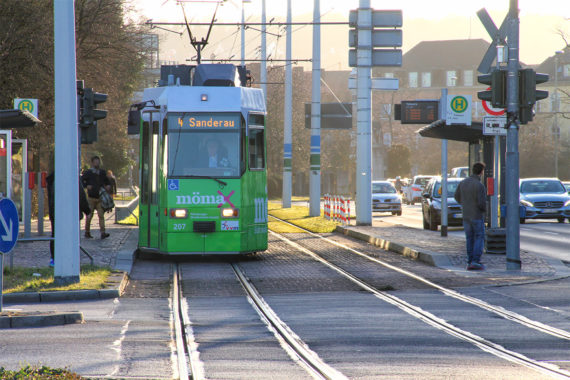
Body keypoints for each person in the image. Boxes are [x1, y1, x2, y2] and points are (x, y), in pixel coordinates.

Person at [46, 172, 91, 266]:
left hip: (56, 213)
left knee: (55, 235)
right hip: (70, 213)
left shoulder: (52, 178)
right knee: (70, 237)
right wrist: (87, 210)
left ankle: (54, 259)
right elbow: (81, 195)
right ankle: (68, 260)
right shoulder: (72, 175)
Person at [454, 162, 487, 270]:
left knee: (469, 238)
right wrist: (484, 211)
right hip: (477, 215)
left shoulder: (463, 183)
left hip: (466, 215)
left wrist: (464, 203)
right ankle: (475, 261)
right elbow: (482, 203)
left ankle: (469, 261)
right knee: (479, 237)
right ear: (481, 172)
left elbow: (456, 196)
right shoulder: (479, 185)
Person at [82, 156, 111, 239]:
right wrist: (86, 186)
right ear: (92, 163)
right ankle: (87, 232)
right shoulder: (88, 172)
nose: (97, 163)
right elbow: (81, 180)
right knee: (89, 215)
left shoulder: (102, 172)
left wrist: (108, 185)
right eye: (95, 162)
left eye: (98, 161)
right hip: (91, 197)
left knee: (101, 215)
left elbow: (106, 181)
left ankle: (103, 232)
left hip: (100, 197)